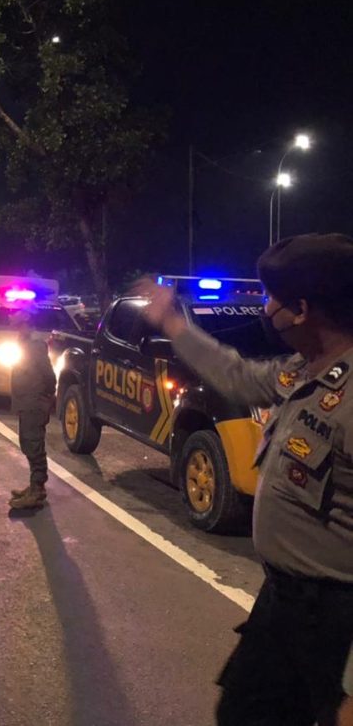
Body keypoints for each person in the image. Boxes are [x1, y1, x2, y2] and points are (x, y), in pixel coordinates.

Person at [135, 233, 353, 726]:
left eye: (272, 298)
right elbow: (233, 374)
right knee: (242, 711)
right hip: (284, 603)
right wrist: (173, 322)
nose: (266, 308)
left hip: (336, 621)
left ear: (301, 309)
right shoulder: (306, 371)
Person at [6, 308, 56, 509]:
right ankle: (35, 486)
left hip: (34, 401)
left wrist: (45, 397)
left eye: (17, 324)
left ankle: (37, 489)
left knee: (33, 443)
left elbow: (48, 374)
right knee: (27, 441)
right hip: (26, 400)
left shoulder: (35, 344)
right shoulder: (24, 342)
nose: (16, 328)